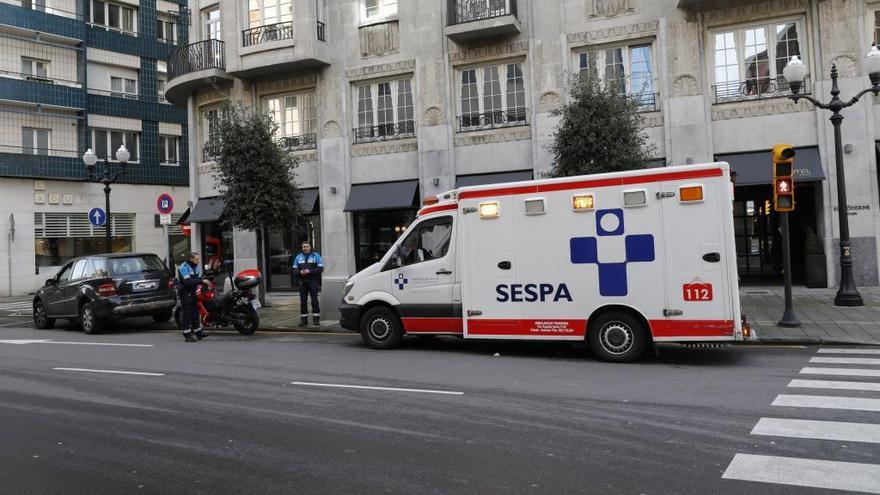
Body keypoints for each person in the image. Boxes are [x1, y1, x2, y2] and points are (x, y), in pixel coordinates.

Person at [178, 252, 210, 342]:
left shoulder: (195, 267)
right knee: (187, 314)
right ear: (191, 259)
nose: (198, 261)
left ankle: (198, 332)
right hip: (185, 292)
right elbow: (187, 282)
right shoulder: (184, 267)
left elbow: (196, 279)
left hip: (192, 292)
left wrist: (203, 279)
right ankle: (187, 335)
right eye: (196, 259)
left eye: (198, 259)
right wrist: (202, 281)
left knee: (195, 312)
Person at [292, 242, 323, 327]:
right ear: (302, 248)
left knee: (314, 301)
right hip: (302, 282)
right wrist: (300, 272)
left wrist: (310, 271)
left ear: (310, 247)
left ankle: (316, 320)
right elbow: (294, 269)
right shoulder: (298, 257)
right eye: (304, 247)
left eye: (307, 246)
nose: (305, 248)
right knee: (303, 301)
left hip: (313, 281)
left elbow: (320, 268)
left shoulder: (316, 256)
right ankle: (304, 321)